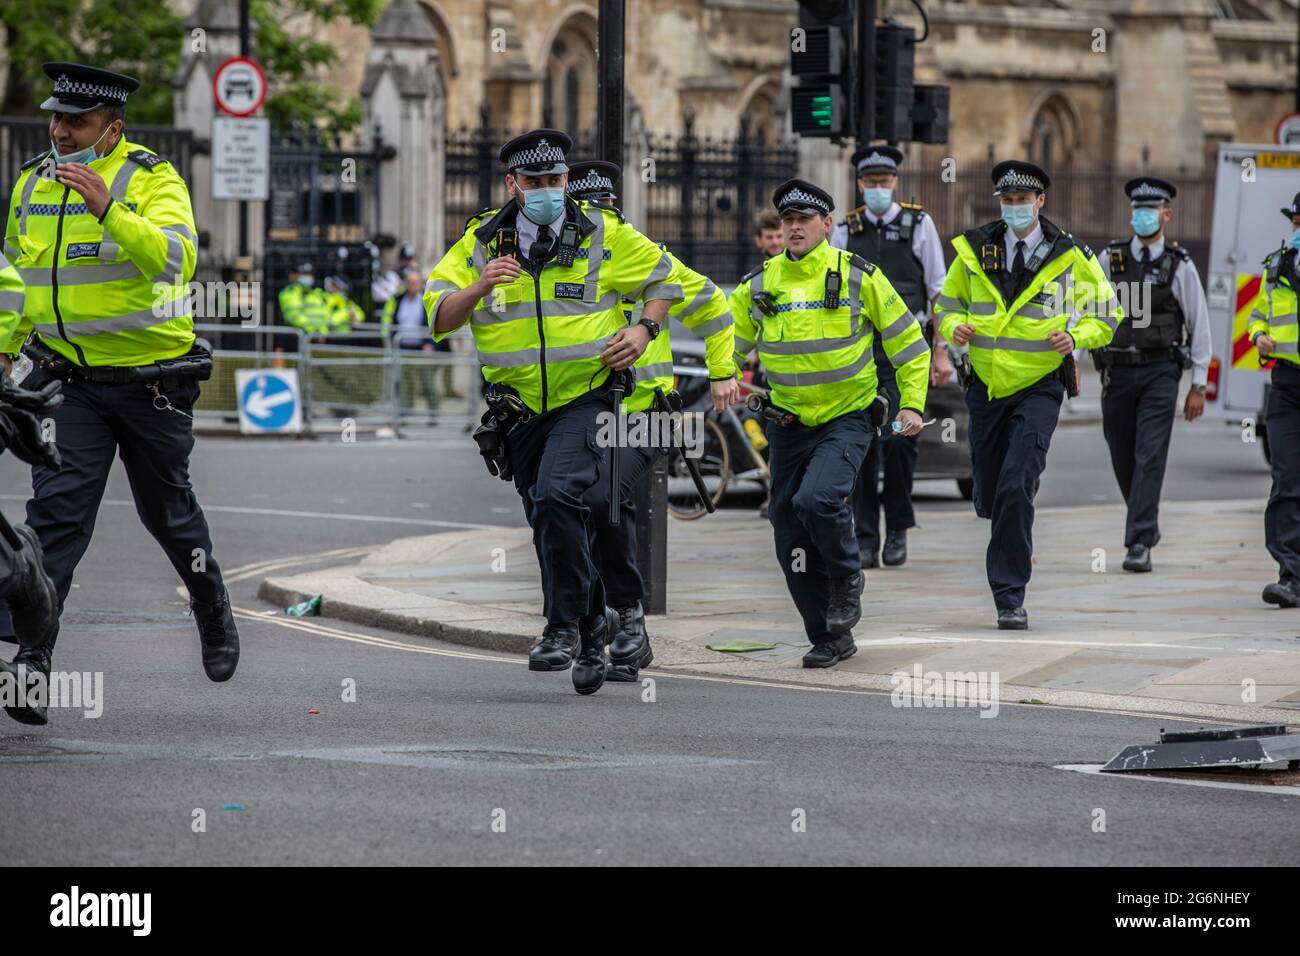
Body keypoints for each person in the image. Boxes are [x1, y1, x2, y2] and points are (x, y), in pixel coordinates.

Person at [0, 62, 239, 724]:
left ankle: (210, 600)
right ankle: (33, 660)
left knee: (169, 516)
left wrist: (106, 207)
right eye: (55, 117)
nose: (60, 130)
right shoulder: (32, 185)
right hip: (66, 382)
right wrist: (3, 351)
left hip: (148, 384)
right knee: (58, 516)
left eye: (76, 121)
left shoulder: (152, 178)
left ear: (112, 130)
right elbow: (17, 278)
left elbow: (174, 261)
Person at [423, 129, 687, 695]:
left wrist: (645, 328)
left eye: (556, 181)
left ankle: (564, 624)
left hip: (586, 399)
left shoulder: (601, 232)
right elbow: (439, 316)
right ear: (513, 185)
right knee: (549, 521)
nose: (548, 191)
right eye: (536, 182)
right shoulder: (480, 242)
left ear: (567, 181)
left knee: (559, 495)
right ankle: (595, 626)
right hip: (519, 414)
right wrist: (477, 287)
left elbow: (667, 276)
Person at [729, 179, 929, 668]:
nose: (794, 228)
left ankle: (847, 575)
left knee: (817, 500)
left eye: (804, 220)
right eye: (787, 220)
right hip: (787, 424)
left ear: (826, 225)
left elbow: (909, 344)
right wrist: (724, 375)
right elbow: (728, 343)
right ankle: (828, 636)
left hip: (848, 418)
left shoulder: (859, 276)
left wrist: (912, 406)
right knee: (787, 531)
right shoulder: (760, 284)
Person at [566, 159, 738, 681]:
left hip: (645, 416)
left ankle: (629, 619)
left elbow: (714, 307)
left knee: (603, 501)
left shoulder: (649, 260)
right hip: (577, 415)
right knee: (565, 513)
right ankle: (595, 628)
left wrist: (723, 371)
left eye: (606, 217)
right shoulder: (561, 265)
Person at [934, 160, 1119, 629]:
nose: (1015, 207)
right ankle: (1006, 528)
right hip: (987, 386)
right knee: (992, 493)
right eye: (1008, 200)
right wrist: (956, 327)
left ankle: (1009, 594)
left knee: (1018, 484)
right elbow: (947, 304)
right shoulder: (974, 251)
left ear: (1041, 201)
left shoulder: (1069, 256)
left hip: (1040, 385)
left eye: (1023, 200)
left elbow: (1107, 313)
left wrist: (1076, 338)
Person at [831, 144, 950, 569]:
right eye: (870, 182)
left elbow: (938, 289)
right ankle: (865, 535)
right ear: (860, 184)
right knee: (862, 445)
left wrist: (941, 352)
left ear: (895, 182)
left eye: (884, 182)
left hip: (907, 350)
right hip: (863, 352)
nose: (877, 189)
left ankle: (897, 526)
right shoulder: (846, 229)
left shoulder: (919, 223)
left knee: (901, 442)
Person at [1093, 176, 1213, 572]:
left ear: (1166, 214)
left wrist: (1198, 385)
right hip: (1117, 372)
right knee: (1121, 453)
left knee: (1150, 455)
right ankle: (1144, 520)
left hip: (1161, 370)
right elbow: (1085, 310)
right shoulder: (1109, 260)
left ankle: (1139, 541)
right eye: (1137, 210)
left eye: (1151, 209)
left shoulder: (1179, 265)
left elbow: (1199, 325)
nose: (1143, 216)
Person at [1247, 191, 1300, 607]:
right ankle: (1290, 575)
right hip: (1286, 383)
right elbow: (1258, 314)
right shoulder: (1276, 266)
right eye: (1295, 223)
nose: (1297, 230)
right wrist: (1258, 335)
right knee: (1286, 477)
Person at [382, 268, 439, 418]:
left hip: (422, 347)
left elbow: (435, 323)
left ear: (421, 284)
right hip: (403, 347)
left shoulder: (427, 301)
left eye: (415, 282)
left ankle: (433, 411)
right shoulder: (399, 300)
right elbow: (393, 322)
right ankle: (404, 412)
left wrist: (430, 343)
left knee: (427, 381)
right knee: (403, 382)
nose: (412, 285)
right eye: (410, 282)